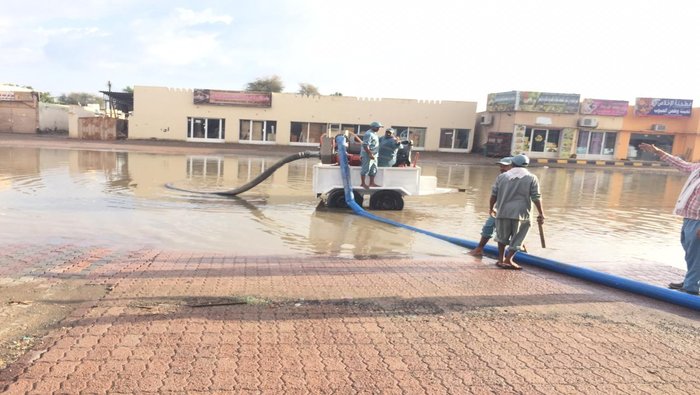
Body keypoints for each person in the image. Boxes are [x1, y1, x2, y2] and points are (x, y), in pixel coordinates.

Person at [639, 143, 700, 295]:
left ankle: (691, 287)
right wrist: (658, 152)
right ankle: (689, 281)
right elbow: (682, 164)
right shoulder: (697, 170)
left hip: (698, 222)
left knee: (696, 254)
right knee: (690, 253)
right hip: (689, 218)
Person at [489, 154, 545, 270]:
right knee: (518, 238)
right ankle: (508, 259)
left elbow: (494, 194)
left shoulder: (502, 177)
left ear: (512, 164)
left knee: (501, 237)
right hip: (522, 214)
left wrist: (491, 208)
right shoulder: (531, 178)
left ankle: (500, 259)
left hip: (503, 211)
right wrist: (541, 213)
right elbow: (536, 197)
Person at [468, 156, 520, 256]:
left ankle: (515, 254)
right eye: (501, 166)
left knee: (515, 232)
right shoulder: (501, 178)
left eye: (505, 166)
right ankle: (479, 249)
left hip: (514, 211)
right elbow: (494, 194)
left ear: (512, 166)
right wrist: (491, 208)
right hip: (499, 209)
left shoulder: (521, 179)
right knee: (488, 227)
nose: (502, 168)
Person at [360, 121, 382, 188]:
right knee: (365, 169)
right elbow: (365, 145)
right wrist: (369, 154)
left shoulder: (374, 134)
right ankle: (363, 183)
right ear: (373, 127)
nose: (379, 129)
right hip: (368, 154)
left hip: (374, 154)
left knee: (373, 169)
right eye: (378, 127)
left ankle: (372, 183)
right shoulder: (368, 134)